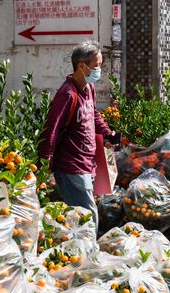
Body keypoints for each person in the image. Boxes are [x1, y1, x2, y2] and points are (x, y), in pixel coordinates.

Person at [38, 40, 120, 229]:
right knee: (88, 216)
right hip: (70, 166)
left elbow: (93, 115)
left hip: (87, 163)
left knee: (80, 216)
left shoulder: (88, 88)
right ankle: (88, 253)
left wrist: (107, 134)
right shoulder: (67, 94)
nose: (100, 70)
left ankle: (79, 252)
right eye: (97, 65)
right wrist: (45, 163)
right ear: (82, 66)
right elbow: (51, 129)